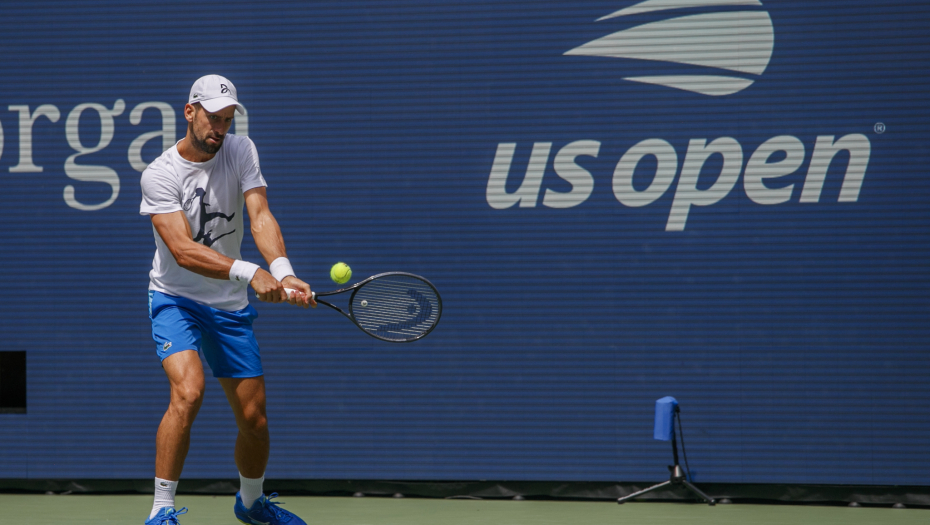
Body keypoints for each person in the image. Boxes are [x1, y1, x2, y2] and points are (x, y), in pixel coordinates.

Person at [139, 74, 315, 525]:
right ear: (190, 112)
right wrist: (249, 271)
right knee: (188, 391)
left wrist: (282, 271)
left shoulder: (240, 150)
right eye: (212, 118)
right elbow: (181, 250)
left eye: (227, 119)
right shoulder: (159, 174)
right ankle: (161, 510)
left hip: (229, 305)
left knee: (254, 420)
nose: (219, 128)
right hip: (175, 298)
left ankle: (251, 503)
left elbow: (259, 216)